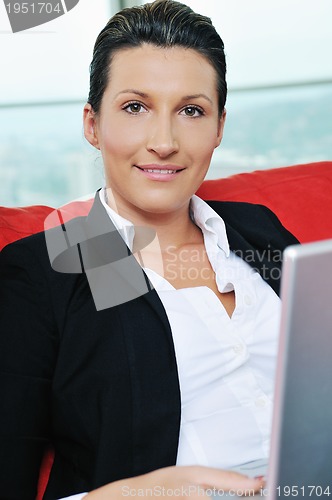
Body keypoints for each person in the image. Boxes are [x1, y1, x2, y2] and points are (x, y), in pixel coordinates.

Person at [0, 0, 299, 498]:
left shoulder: (256, 230)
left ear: (219, 126)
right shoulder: (50, 268)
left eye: (191, 110)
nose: (164, 141)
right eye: (135, 107)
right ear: (92, 125)